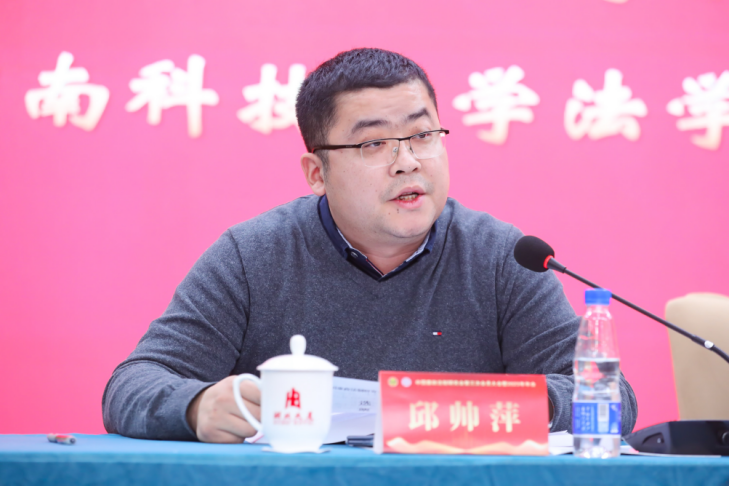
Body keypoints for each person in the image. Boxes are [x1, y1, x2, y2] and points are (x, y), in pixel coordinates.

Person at [102, 48, 637, 443]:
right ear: (317, 172)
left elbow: (610, 399)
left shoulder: (502, 257)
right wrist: (196, 406)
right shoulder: (252, 256)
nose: (408, 162)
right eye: (374, 143)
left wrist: (495, 406)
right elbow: (131, 386)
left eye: (422, 135)